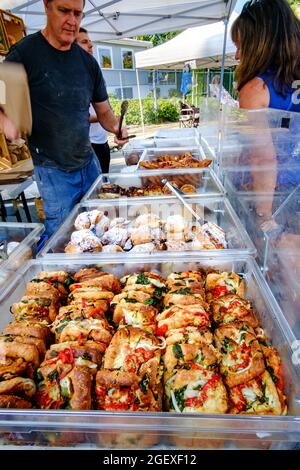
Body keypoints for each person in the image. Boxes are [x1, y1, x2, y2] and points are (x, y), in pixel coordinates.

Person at [0, 0, 127, 236]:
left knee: (102, 231)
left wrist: (118, 126)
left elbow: (105, 114)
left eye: (78, 14)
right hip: (53, 171)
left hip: (89, 165)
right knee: (61, 238)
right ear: (47, 7)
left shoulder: (88, 63)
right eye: (64, 11)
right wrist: (7, 120)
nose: (72, 21)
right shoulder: (22, 55)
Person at [231, 0, 300, 218]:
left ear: (261, 44)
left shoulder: (256, 89)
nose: (237, 56)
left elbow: (263, 159)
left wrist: (264, 218)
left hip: (278, 198)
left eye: (241, 46)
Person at [76, 27, 111, 174]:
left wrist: (115, 123)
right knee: (97, 187)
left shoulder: (94, 72)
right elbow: (80, 116)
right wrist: (105, 118)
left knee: (105, 182)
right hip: (89, 144)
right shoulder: (73, 78)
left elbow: (105, 107)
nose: (91, 46)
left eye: (90, 42)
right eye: (84, 42)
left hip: (102, 140)